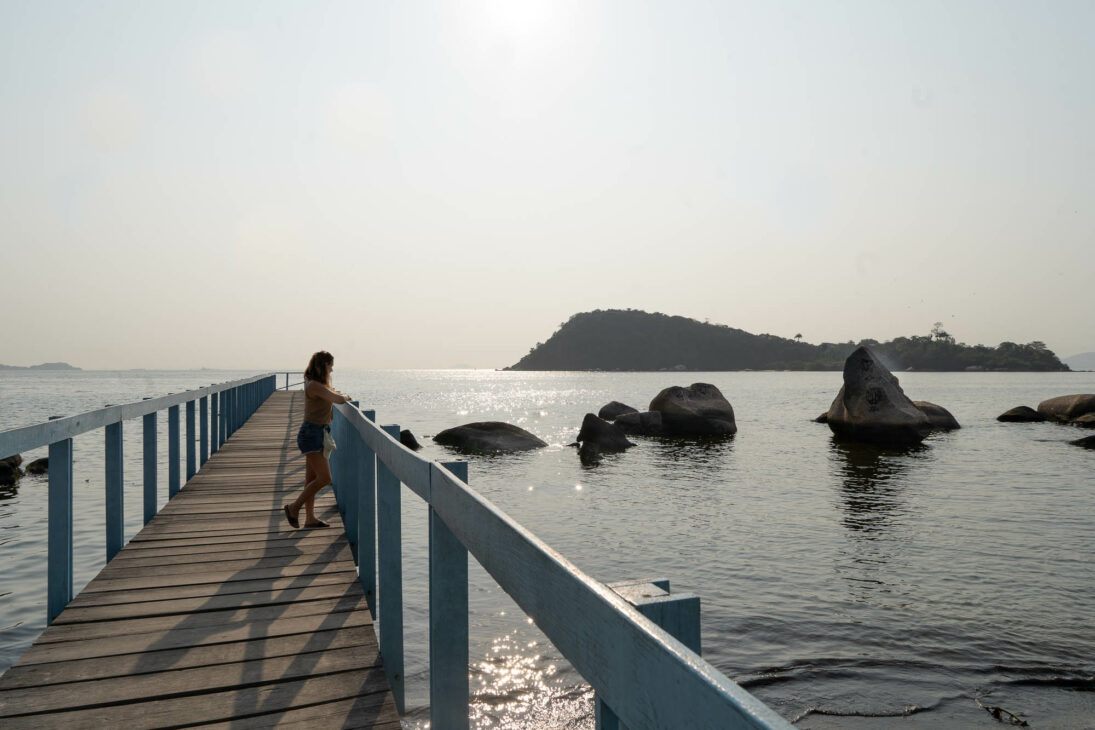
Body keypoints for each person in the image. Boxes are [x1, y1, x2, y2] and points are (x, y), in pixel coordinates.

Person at [283, 351, 353, 528]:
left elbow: (332, 394)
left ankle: (309, 518)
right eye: (330, 366)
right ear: (323, 366)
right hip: (311, 435)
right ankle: (293, 507)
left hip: (319, 433)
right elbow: (338, 399)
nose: (331, 370)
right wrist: (345, 397)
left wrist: (338, 394)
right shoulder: (314, 385)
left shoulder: (319, 385)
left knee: (311, 480)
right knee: (325, 478)